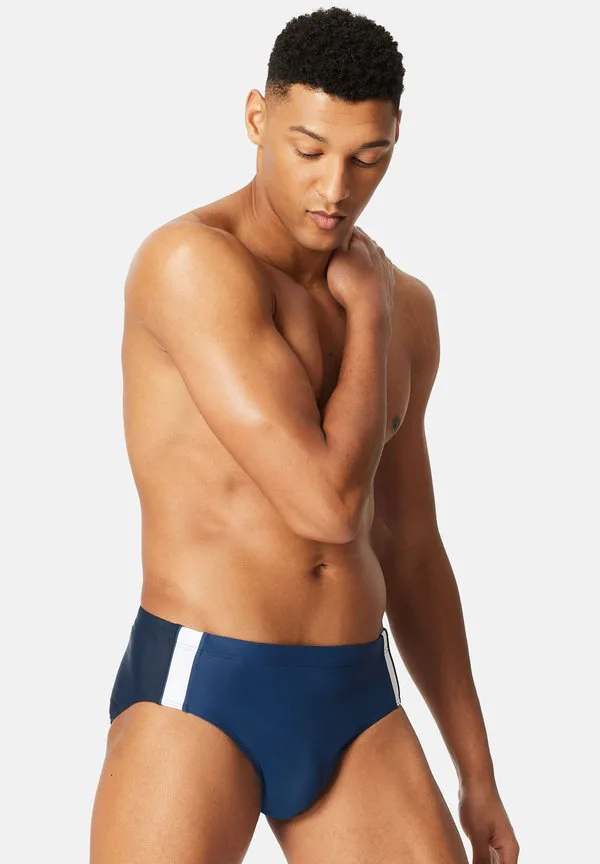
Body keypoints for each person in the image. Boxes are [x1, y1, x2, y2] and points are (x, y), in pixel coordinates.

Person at [90, 7, 519, 863]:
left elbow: (409, 545)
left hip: (354, 693)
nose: (336, 190)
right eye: (310, 150)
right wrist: (370, 317)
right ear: (258, 118)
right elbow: (327, 505)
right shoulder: (190, 267)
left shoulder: (409, 307)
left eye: (368, 158)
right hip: (202, 688)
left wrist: (477, 773)